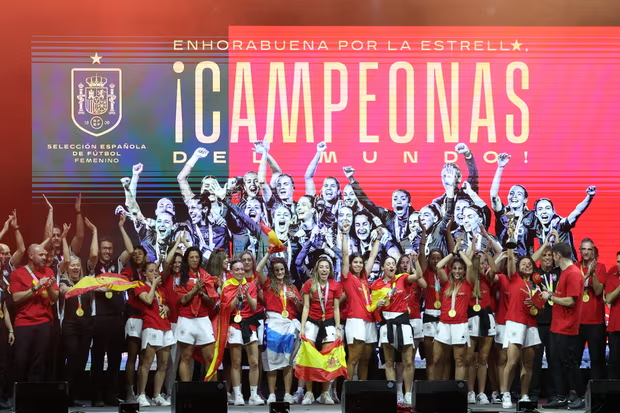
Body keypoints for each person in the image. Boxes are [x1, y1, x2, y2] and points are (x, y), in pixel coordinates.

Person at [372, 254, 423, 406]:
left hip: (403, 322)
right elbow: (373, 309)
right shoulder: (376, 284)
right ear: (383, 267)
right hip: (387, 323)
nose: (391, 266)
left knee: (408, 361)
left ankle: (408, 394)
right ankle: (394, 393)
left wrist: (415, 261)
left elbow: (419, 275)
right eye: (388, 264)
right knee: (389, 362)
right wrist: (378, 305)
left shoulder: (402, 278)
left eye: (393, 263)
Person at [540, 242, 585, 410]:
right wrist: (551, 293)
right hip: (557, 326)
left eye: (553, 256)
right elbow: (563, 296)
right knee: (557, 364)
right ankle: (561, 396)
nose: (552, 259)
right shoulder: (566, 273)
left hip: (567, 328)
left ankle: (578, 396)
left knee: (570, 364)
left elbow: (570, 301)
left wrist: (549, 298)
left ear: (558, 255)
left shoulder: (573, 273)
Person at [256, 252, 302, 404]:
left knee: (288, 361)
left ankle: (288, 393)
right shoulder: (268, 284)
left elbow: (300, 308)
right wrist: (268, 253)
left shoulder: (292, 287)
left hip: (289, 325)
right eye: (277, 270)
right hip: (273, 325)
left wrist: (294, 299)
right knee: (271, 361)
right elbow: (257, 270)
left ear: (286, 270)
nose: (280, 272)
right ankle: (271, 394)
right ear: (272, 272)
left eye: (282, 269)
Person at [9, 244, 59, 382]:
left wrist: (49, 287)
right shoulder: (18, 273)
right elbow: (15, 298)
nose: (45, 257)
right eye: (41, 255)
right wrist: (35, 288)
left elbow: (55, 297)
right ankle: (18, 399)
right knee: (21, 362)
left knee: (39, 364)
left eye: (45, 254)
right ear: (31, 256)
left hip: (44, 323)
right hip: (24, 323)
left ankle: (33, 399)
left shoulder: (48, 271)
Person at [499, 249, 541, 409]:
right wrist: (510, 248)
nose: (527, 265)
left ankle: (524, 395)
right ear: (518, 267)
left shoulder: (536, 284)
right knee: (512, 361)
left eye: (530, 264)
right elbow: (510, 261)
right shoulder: (513, 277)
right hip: (515, 322)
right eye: (524, 263)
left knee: (528, 363)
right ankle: (506, 393)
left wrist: (539, 303)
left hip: (531, 323)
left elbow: (540, 308)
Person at [58, 222, 94, 407]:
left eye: (77, 265)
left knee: (81, 362)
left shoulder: (87, 282)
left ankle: (75, 395)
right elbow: (63, 291)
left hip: (86, 326)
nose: (75, 268)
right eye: (72, 265)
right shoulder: (63, 280)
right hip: (70, 326)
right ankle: (66, 396)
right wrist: (64, 237)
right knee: (71, 359)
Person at [430, 239, 475, 384]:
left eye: (460, 269)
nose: (457, 271)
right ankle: (434, 389)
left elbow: (469, 264)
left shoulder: (468, 283)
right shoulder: (446, 282)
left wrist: (460, 250)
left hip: (460, 324)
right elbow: (439, 265)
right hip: (444, 323)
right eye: (454, 268)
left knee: (459, 360)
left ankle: (458, 393)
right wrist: (452, 252)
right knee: (436, 359)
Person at [299, 257, 343, 405]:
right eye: (321, 267)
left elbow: (336, 308)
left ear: (330, 270)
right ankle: (309, 393)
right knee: (309, 358)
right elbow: (305, 307)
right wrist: (302, 328)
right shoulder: (309, 284)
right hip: (312, 321)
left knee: (328, 358)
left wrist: (338, 328)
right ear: (317, 269)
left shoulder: (335, 285)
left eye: (327, 267)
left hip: (329, 322)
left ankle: (325, 392)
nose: (324, 270)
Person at [341, 222, 380, 382]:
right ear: (350, 265)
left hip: (369, 320)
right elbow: (344, 255)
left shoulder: (364, 278)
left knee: (365, 359)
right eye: (355, 262)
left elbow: (372, 257)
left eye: (360, 263)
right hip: (355, 320)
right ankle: (348, 391)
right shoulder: (347, 278)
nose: (358, 265)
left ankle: (361, 390)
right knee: (353, 358)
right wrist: (344, 234)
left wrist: (378, 238)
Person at [223, 260, 264, 406]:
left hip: (249, 324)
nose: (240, 272)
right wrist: (238, 296)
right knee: (236, 363)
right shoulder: (227, 285)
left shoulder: (251, 285)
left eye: (241, 269)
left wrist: (246, 292)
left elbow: (253, 307)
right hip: (234, 324)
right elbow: (227, 309)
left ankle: (253, 395)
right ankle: (238, 394)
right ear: (232, 272)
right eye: (237, 270)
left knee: (254, 362)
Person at [174, 246, 219, 382]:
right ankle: (186, 392)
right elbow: (183, 299)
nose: (194, 260)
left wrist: (201, 293)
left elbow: (211, 301)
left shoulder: (205, 276)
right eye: (191, 257)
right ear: (187, 259)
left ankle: (213, 392)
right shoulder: (180, 277)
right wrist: (195, 289)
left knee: (210, 357)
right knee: (186, 357)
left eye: (197, 257)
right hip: (186, 319)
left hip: (203, 319)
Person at [135, 262, 174, 408]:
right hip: (151, 326)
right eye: (151, 271)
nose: (155, 274)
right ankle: (141, 395)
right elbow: (148, 300)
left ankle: (157, 395)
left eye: (156, 271)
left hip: (165, 326)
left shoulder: (161, 289)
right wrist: (153, 285)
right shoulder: (140, 285)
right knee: (146, 363)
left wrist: (166, 308)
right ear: (144, 273)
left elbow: (167, 308)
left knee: (163, 364)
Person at [529, 232, 561, 402]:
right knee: (535, 362)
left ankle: (554, 393)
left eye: (550, 255)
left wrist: (555, 241)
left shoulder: (559, 272)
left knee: (554, 360)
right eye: (545, 255)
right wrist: (542, 297)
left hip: (555, 323)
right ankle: (534, 393)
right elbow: (533, 300)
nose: (548, 258)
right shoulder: (535, 274)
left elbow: (564, 255)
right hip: (538, 323)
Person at [465, 250, 497, 405]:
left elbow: (495, 270)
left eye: (486, 263)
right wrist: (473, 252)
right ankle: (470, 391)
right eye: (483, 263)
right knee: (470, 358)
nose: (485, 266)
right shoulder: (470, 279)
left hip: (487, 318)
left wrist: (488, 254)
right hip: (472, 319)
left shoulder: (487, 278)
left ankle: (482, 393)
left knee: (483, 358)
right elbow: (469, 266)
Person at [532, 186, 596, 261]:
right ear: (536, 213)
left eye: (547, 208)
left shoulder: (561, 224)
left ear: (553, 211)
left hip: (568, 267)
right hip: (552, 269)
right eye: (540, 209)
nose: (544, 212)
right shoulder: (538, 228)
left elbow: (577, 211)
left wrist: (589, 196)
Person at [489, 153, 535, 256]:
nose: (514, 196)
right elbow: (493, 195)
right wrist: (500, 167)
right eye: (511, 193)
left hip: (524, 263)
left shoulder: (532, 216)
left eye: (519, 194)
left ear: (525, 199)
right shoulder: (502, 214)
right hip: (503, 261)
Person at [575, 238, 607, 381]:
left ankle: (597, 396)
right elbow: (575, 288)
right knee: (574, 360)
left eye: (589, 249)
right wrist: (587, 274)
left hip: (596, 322)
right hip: (577, 322)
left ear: (593, 251)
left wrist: (593, 273)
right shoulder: (574, 267)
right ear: (580, 251)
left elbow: (599, 290)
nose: (586, 252)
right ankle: (576, 393)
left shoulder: (601, 267)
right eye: (584, 249)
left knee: (597, 360)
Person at [605, 252, 620, 379]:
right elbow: (608, 298)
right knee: (614, 362)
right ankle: (613, 395)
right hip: (615, 327)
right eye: (619, 262)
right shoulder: (612, 277)